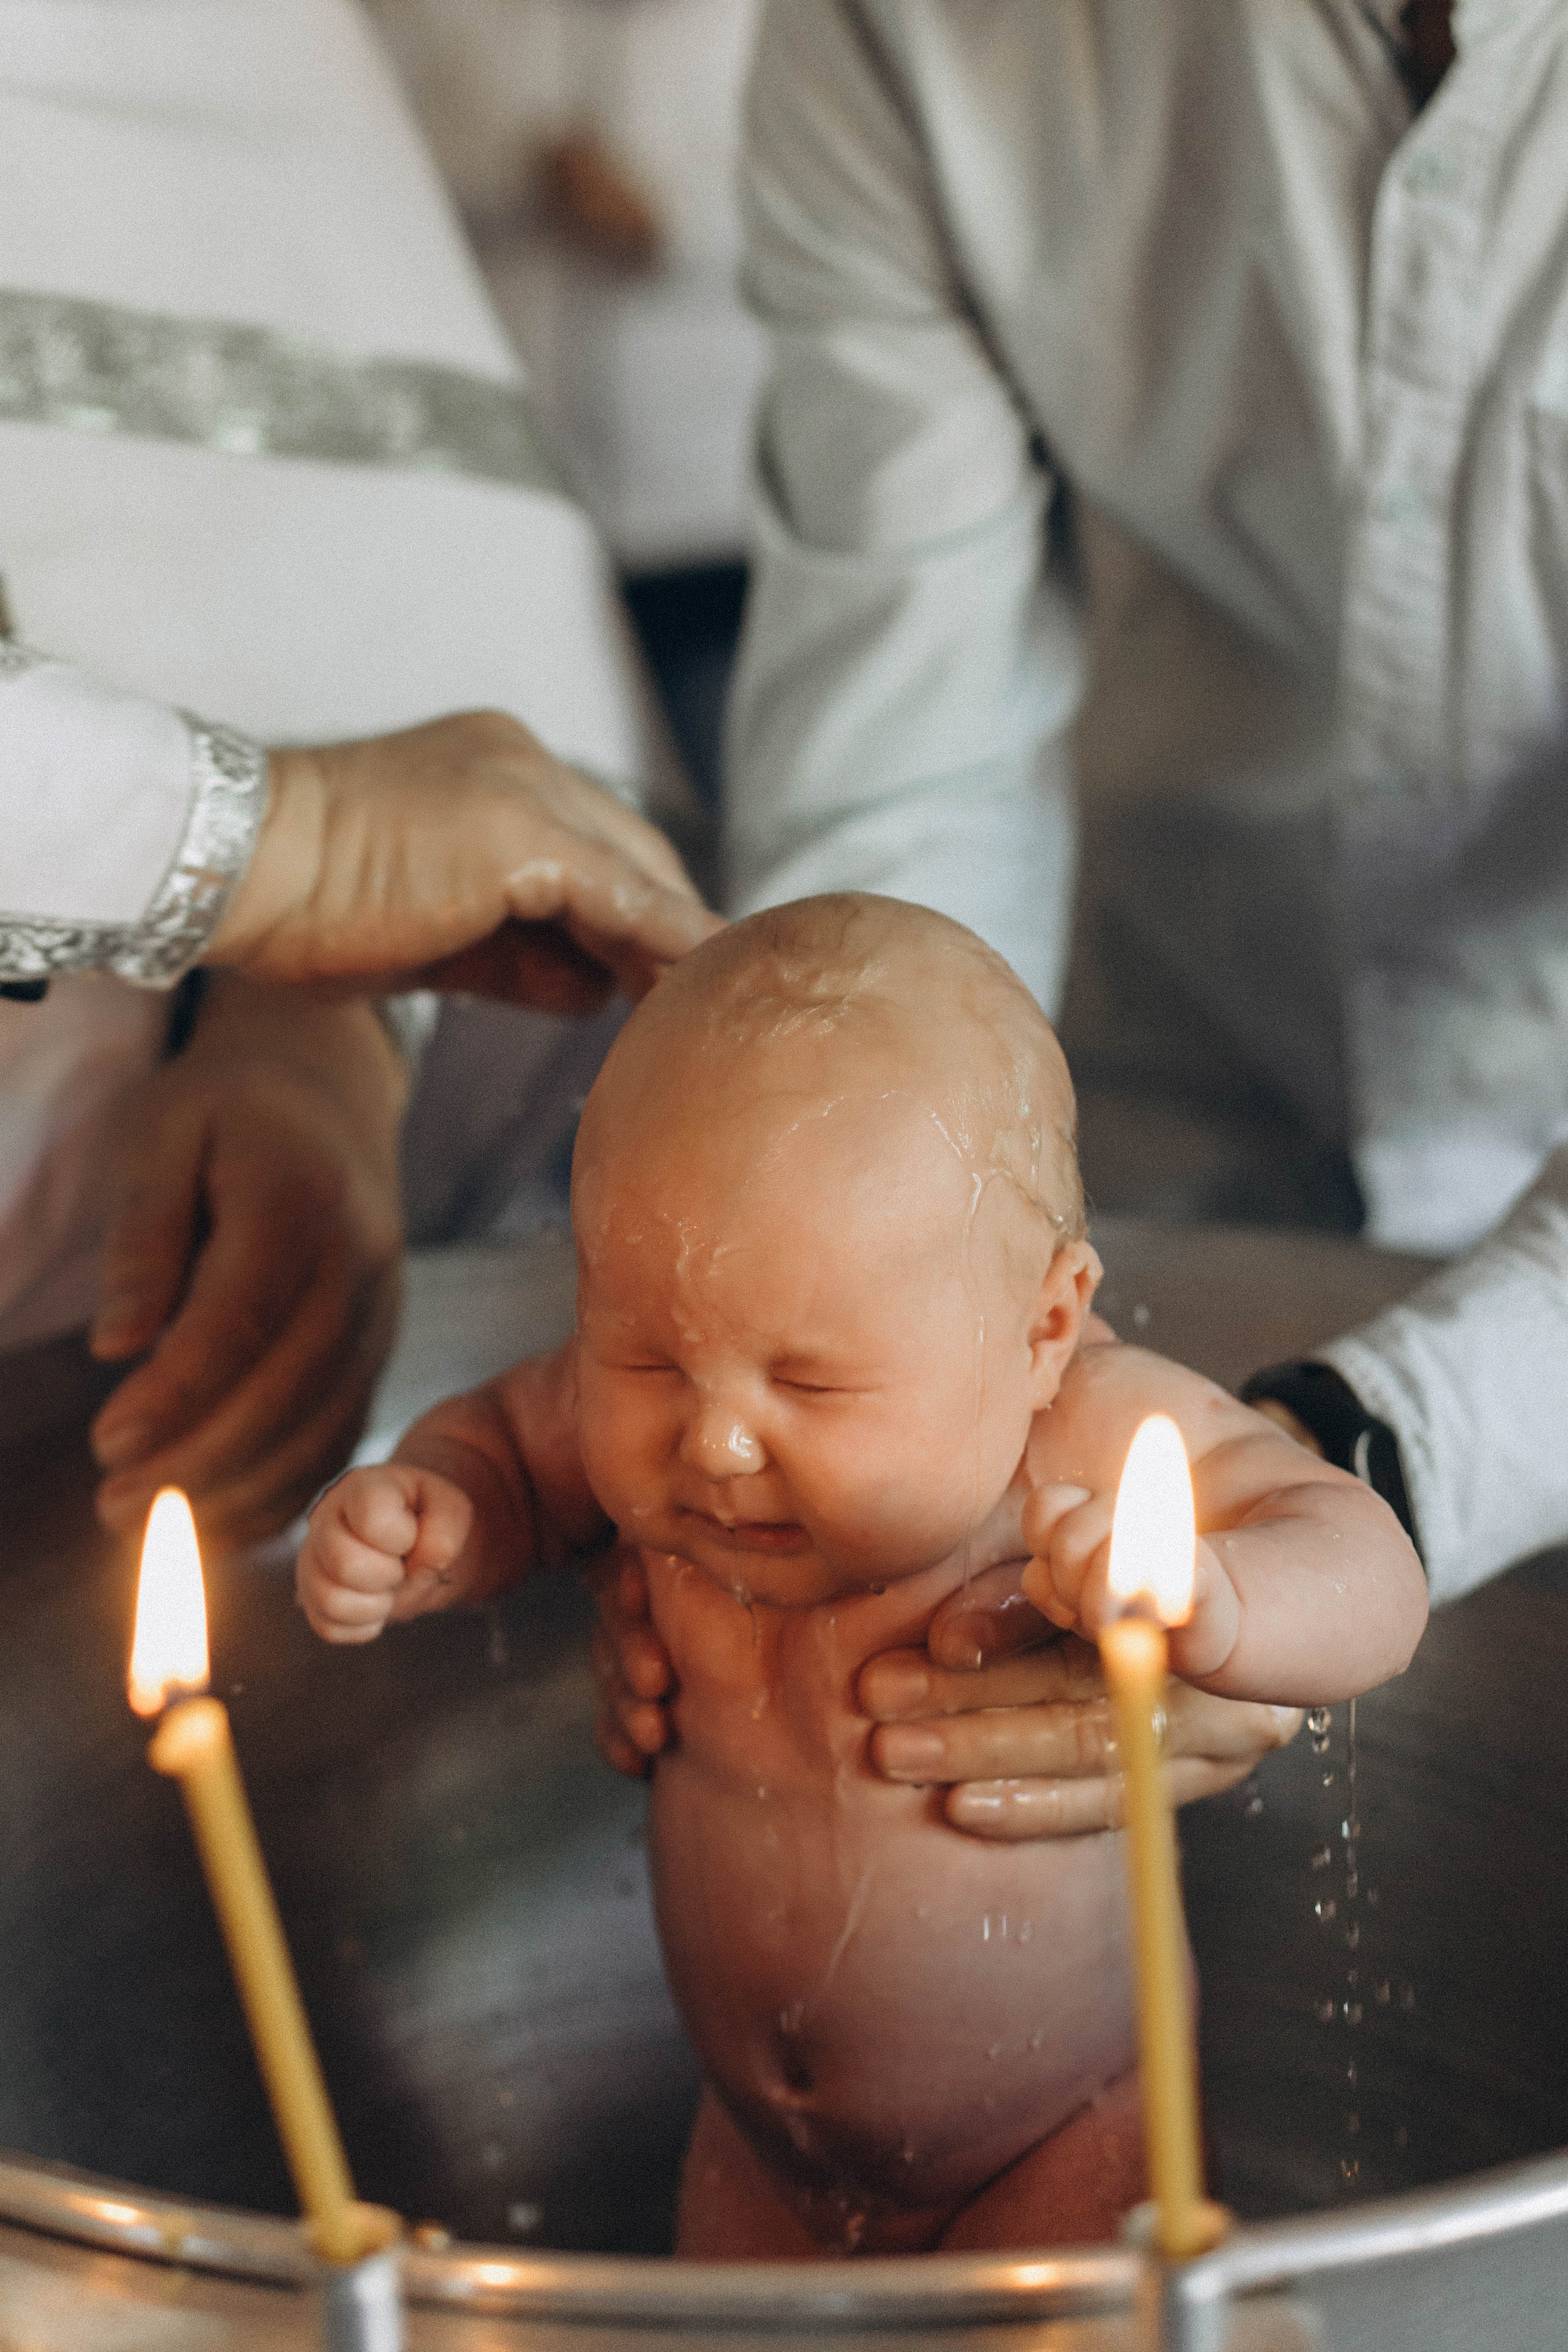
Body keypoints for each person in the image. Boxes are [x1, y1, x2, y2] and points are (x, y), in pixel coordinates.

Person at [585, 0, 1568, 1829]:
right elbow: (907, 795)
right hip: (1168, 1142)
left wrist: (1381, 1452)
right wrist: (854, 1330)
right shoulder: (912, 34)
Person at [295, 895, 1426, 2253]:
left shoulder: (1081, 1435)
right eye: (645, 1357)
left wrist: (1219, 1599)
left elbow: (1368, 1567)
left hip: (1062, 2136)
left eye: (810, 1381)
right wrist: (439, 1511)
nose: (710, 1440)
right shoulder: (665, 1412)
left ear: (1042, 1326)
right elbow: (507, 1452)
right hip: (759, 2153)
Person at [0, 0, 715, 1539]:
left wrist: (316, 1021)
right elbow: (311, 836)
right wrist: (278, 847)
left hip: (134, 1269)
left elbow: (368, 554)